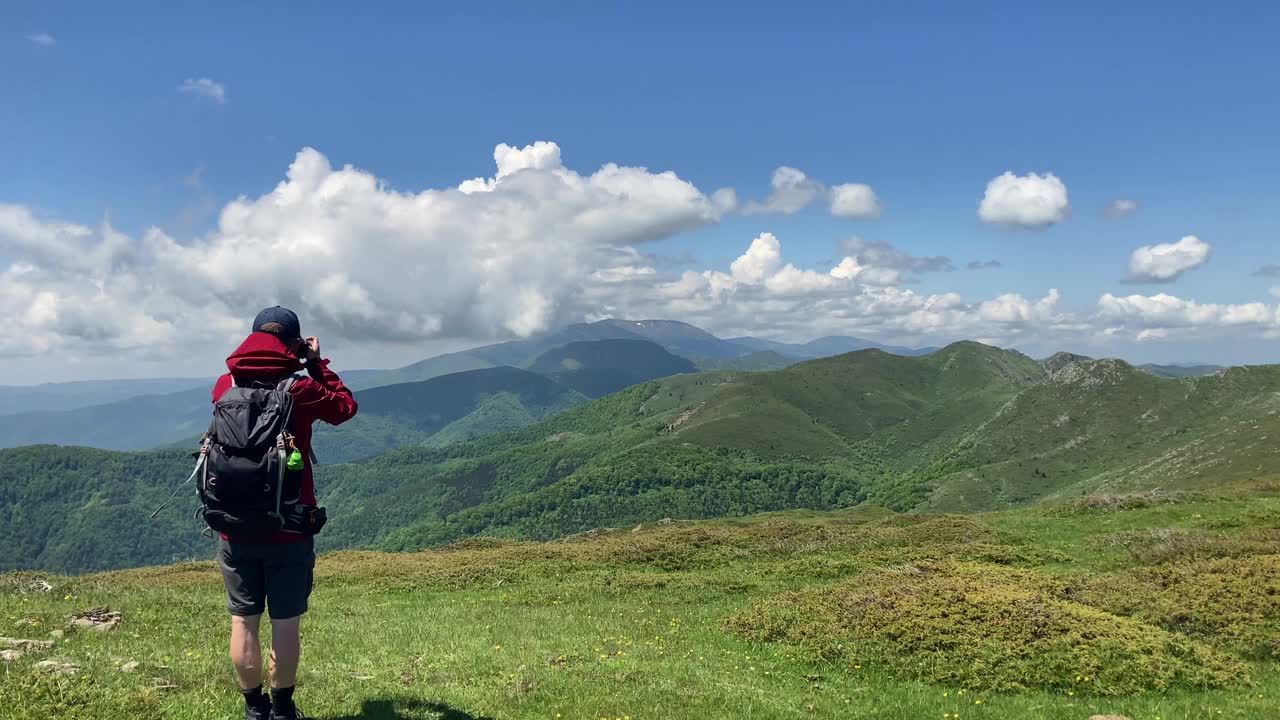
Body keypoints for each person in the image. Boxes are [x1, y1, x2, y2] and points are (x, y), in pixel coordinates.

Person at [212, 306, 358, 720]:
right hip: (290, 528)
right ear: (294, 342)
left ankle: (254, 709)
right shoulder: (300, 389)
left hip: (235, 529)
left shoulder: (224, 385)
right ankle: (283, 709)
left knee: (244, 621)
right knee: (285, 623)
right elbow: (345, 408)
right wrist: (315, 364)